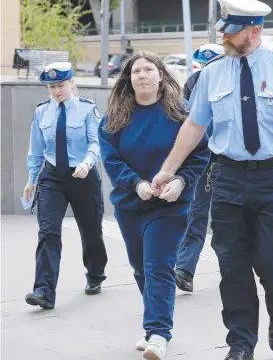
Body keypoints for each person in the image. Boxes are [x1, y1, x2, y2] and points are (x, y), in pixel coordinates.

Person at [152, 0, 273, 360]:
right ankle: (240, 344)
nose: (224, 38)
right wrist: (169, 168)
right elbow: (195, 125)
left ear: (254, 31)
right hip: (228, 177)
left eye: (230, 32)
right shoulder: (212, 72)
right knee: (231, 265)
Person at [98, 51, 210, 360]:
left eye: (149, 69)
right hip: (130, 205)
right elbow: (111, 158)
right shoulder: (115, 117)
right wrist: (137, 183)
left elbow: (200, 153)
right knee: (139, 268)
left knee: (158, 266)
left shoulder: (180, 115)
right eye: (136, 71)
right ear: (129, 79)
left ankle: (159, 333)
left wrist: (181, 182)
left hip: (170, 205)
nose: (142, 75)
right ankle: (152, 326)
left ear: (161, 75)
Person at [24, 62, 108, 309]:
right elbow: (36, 150)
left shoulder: (86, 109)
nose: (56, 91)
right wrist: (31, 180)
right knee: (48, 232)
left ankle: (95, 274)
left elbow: (96, 142)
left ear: (72, 83)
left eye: (61, 85)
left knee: (90, 230)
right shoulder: (42, 113)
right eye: (52, 86)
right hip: (52, 178)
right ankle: (43, 291)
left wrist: (88, 161)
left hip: (83, 175)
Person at [176, 43, 224, 292]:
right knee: (196, 214)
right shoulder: (193, 83)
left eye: (212, 63)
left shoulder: (233, 80)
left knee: (226, 219)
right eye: (204, 64)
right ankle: (184, 270)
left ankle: (234, 270)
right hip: (202, 159)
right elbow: (186, 120)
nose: (207, 68)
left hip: (228, 161)